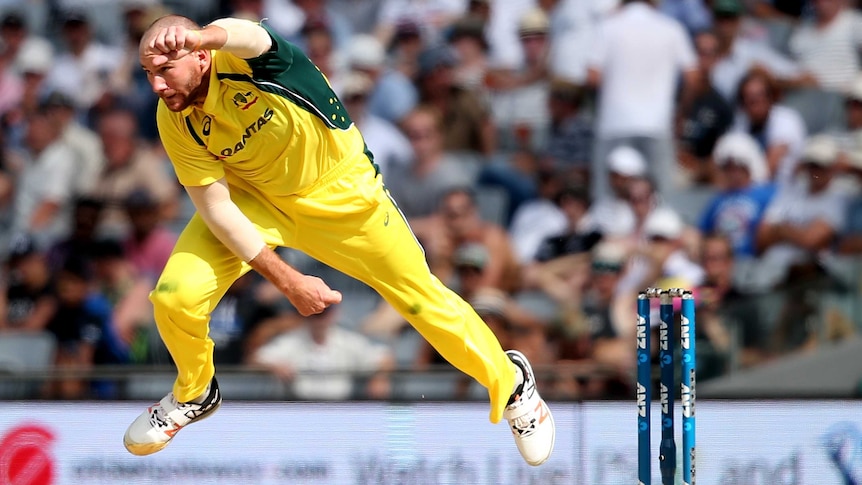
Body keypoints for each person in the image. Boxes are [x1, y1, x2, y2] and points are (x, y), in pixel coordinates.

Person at [125, 15, 555, 466]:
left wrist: (203, 34)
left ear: (200, 55)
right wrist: (288, 280)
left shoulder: (250, 60)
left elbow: (252, 34)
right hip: (254, 199)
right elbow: (215, 208)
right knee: (174, 297)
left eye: (164, 70)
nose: (156, 85)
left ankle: (513, 386)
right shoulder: (172, 118)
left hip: (343, 196)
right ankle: (195, 393)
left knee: (420, 300)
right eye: (147, 74)